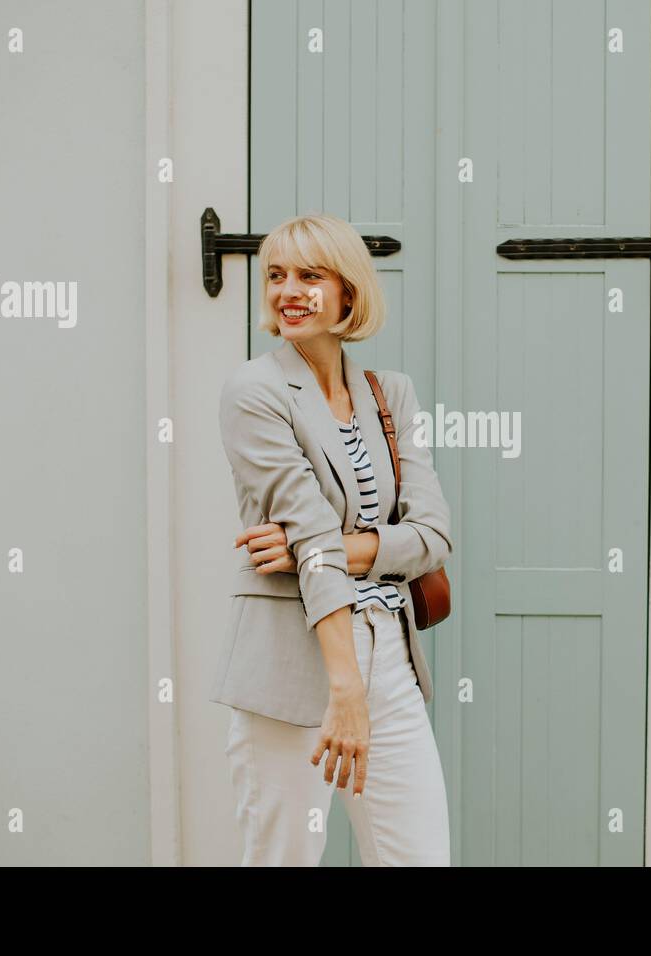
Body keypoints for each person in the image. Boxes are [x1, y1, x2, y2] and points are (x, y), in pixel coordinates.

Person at [210, 213, 453, 866]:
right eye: (276, 275)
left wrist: (318, 549)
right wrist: (342, 688)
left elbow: (432, 535)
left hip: (388, 658)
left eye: (310, 275)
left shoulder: (389, 395)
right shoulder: (254, 391)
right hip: (292, 668)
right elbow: (309, 519)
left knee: (419, 857)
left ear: (348, 291)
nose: (289, 290)